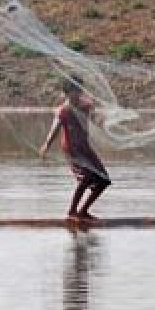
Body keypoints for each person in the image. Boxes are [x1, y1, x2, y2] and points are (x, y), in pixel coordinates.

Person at [40, 79, 111, 221]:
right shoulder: (63, 110)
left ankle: (83, 211)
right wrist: (47, 144)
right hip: (72, 149)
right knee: (86, 179)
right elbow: (55, 128)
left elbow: (95, 120)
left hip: (84, 147)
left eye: (79, 90)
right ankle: (72, 211)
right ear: (67, 93)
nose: (78, 94)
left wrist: (102, 120)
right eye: (75, 91)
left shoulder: (86, 106)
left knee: (104, 180)